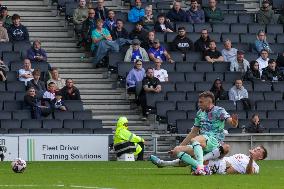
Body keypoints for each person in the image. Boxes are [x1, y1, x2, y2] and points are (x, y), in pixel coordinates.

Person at [167, 91, 238, 175]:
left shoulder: (219, 110)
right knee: (177, 150)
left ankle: (200, 167)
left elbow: (232, 123)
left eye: (201, 102)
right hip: (201, 143)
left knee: (195, 140)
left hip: (214, 141)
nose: (198, 104)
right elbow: (193, 132)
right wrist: (180, 146)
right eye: (198, 102)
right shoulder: (200, 113)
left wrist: (234, 122)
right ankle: (200, 166)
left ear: (209, 102)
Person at [150, 145, 267, 175]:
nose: (255, 150)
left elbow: (249, 173)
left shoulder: (256, 166)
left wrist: (251, 159)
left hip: (223, 168)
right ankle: (163, 162)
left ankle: (162, 163)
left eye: (258, 151)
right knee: (199, 155)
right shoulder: (243, 155)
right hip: (221, 161)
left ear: (260, 157)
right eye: (256, 148)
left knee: (197, 162)